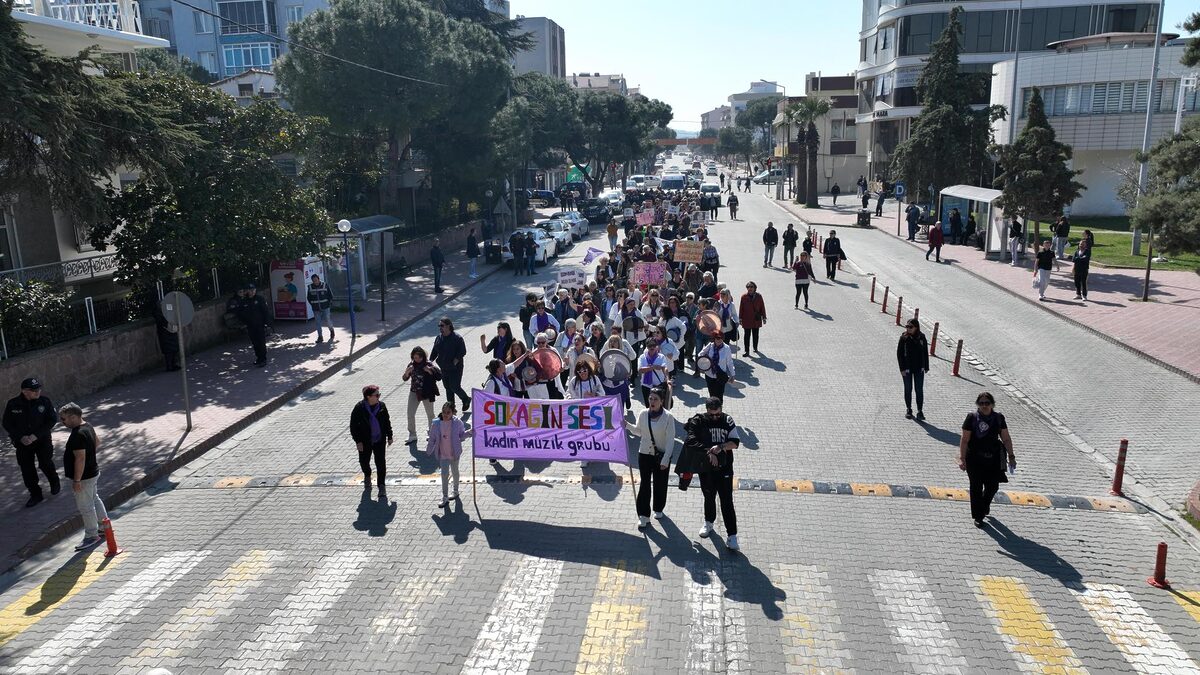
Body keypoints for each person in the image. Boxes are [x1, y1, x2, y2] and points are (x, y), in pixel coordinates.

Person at [680, 397, 742, 551]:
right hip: (706, 467)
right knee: (708, 496)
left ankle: (732, 535)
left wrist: (720, 447)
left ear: (721, 410)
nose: (715, 417)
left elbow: (735, 443)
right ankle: (709, 523)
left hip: (725, 468)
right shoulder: (700, 421)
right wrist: (709, 451)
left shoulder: (727, 420)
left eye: (717, 414)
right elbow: (690, 440)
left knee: (726, 500)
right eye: (711, 414)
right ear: (706, 411)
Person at [958, 392, 1016, 527]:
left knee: (992, 487)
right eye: (981, 403)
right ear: (978, 404)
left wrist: (1012, 456)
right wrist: (962, 458)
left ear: (992, 404)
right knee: (976, 487)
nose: (984, 406)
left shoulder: (999, 418)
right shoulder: (971, 418)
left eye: (987, 403)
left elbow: (1006, 438)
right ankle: (978, 516)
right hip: (974, 458)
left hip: (993, 458)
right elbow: (965, 439)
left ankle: (984, 505)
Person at [58, 402, 109, 551]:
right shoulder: (88, 426)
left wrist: (77, 480)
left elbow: (80, 458)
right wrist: (90, 456)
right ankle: (104, 527)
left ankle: (91, 535)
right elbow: (97, 442)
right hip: (93, 472)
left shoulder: (77, 435)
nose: (62, 422)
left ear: (73, 417)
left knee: (85, 507)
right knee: (94, 499)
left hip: (84, 477)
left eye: (64, 419)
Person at [3, 377, 60, 508]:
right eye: (34, 390)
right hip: (23, 443)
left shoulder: (44, 402)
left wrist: (35, 435)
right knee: (27, 470)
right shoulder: (13, 404)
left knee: (45, 463)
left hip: (42, 440)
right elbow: (7, 423)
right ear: (24, 391)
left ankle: (54, 481)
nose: (37, 392)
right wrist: (20, 437)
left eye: (38, 389)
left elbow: (51, 420)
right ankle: (35, 494)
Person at [633, 389, 680, 529]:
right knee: (645, 484)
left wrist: (666, 459)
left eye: (655, 399)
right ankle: (643, 515)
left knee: (660, 483)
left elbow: (671, 440)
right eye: (650, 398)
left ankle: (658, 508)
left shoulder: (668, 417)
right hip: (644, 454)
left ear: (661, 401)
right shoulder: (643, 413)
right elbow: (639, 431)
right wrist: (627, 426)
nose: (652, 402)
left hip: (661, 455)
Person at [350, 384, 393, 490]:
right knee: (364, 461)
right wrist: (358, 441)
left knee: (380, 462)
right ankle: (368, 475)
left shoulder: (382, 406)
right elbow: (353, 426)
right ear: (368, 396)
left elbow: (387, 421)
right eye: (377, 395)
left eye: (379, 395)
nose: (379, 397)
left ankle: (381, 485)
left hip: (379, 439)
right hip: (365, 440)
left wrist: (390, 435)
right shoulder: (359, 408)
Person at [426, 402, 469, 507]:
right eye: (444, 412)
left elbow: (462, 436)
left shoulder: (457, 423)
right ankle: (445, 497)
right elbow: (432, 439)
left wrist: (470, 433)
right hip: (443, 454)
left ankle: (455, 490)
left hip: (454, 453)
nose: (445, 415)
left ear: (453, 412)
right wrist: (428, 450)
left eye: (448, 412)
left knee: (455, 472)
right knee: (444, 475)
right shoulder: (436, 424)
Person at [402, 346, 441, 444]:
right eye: (415, 358)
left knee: (430, 414)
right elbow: (404, 378)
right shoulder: (411, 365)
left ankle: (432, 433)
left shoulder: (428, 364)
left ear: (423, 357)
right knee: (410, 414)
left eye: (419, 357)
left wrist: (429, 371)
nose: (417, 360)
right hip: (414, 392)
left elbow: (439, 376)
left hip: (426, 392)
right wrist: (407, 373)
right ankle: (412, 434)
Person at [430, 317, 470, 411]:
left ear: (449, 326)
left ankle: (466, 399)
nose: (440, 328)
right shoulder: (439, 338)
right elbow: (435, 350)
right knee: (447, 387)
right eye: (439, 326)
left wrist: (455, 362)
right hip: (444, 367)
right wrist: (430, 361)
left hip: (455, 368)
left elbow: (462, 351)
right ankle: (451, 408)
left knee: (454, 386)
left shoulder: (457, 338)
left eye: (442, 326)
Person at [897, 318, 929, 420]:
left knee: (919, 390)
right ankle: (909, 409)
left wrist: (926, 366)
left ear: (916, 327)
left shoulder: (921, 337)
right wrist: (902, 368)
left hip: (919, 368)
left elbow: (925, 352)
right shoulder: (903, 338)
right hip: (907, 368)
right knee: (908, 389)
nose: (908, 329)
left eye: (910, 327)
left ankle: (920, 411)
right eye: (907, 327)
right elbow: (899, 354)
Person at [233, 283, 272, 367]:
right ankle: (258, 358)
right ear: (247, 291)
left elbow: (265, 312)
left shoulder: (259, 299)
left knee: (261, 342)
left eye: (253, 290)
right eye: (250, 290)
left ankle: (263, 359)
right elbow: (239, 313)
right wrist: (244, 321)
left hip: (260, 325)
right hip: (250, 325)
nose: (252, 292)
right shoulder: (244, 301)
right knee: (255, 343)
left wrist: (267, 324)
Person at [697, 331, 735, 403]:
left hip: (720, 376)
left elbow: (730, 363)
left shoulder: (726, 348)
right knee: (712, 396)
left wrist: (732, 374)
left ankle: (719, 411)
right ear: (714, 338)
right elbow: (700, 355)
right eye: (717, 338)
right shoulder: (710, 346)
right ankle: (712, 411)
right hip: (709, 375)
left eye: (721, 338)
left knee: (719, 396)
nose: (719, 340)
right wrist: (705, 362)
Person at [637, 339, 671, 406]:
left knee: (659, 406)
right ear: (646, 346)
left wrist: (668, 379)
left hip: (658, 385)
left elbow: (665, 368)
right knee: (648, 406)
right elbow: (640, 370)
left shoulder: (661, 357)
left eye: (654, 345)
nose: (652, 347)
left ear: (657, 346)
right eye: (650, 345)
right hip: (646, 386)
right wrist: (653, 367)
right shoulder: (642, 357)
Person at [738, 282, 766, 354]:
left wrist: (764, 317)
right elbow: (741, 308)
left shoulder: (759, 296)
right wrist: (740, 318)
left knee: (755, 334)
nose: (750, 288)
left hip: (756, 319)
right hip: (746, 319)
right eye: (748, 287)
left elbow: (762, 307)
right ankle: (747, 351)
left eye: (751, 287)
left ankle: (755, 347)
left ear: (755, 288)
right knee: (746, 336)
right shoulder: (744, 297)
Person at [152, 302, 180, 371]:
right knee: (168, 350)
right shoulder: (158, 313)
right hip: (164, 332)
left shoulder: (167, 309)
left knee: (173, 348)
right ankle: (169, 366)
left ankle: (173, 364)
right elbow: (160, 321)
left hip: (170, 330)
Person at [308, 274, 335, 343]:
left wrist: (329, 304)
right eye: (313, 281)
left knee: (328, 321)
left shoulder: (325, 285)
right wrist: (313, 305)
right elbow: (309, 298)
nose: (315, 282)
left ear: (319, 279)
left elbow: (330, 295)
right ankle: (320, 337)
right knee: (318, 323)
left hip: (325, 307)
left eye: (316, 280)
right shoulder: (310, 287)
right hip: (316, 309)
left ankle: (331, 330)